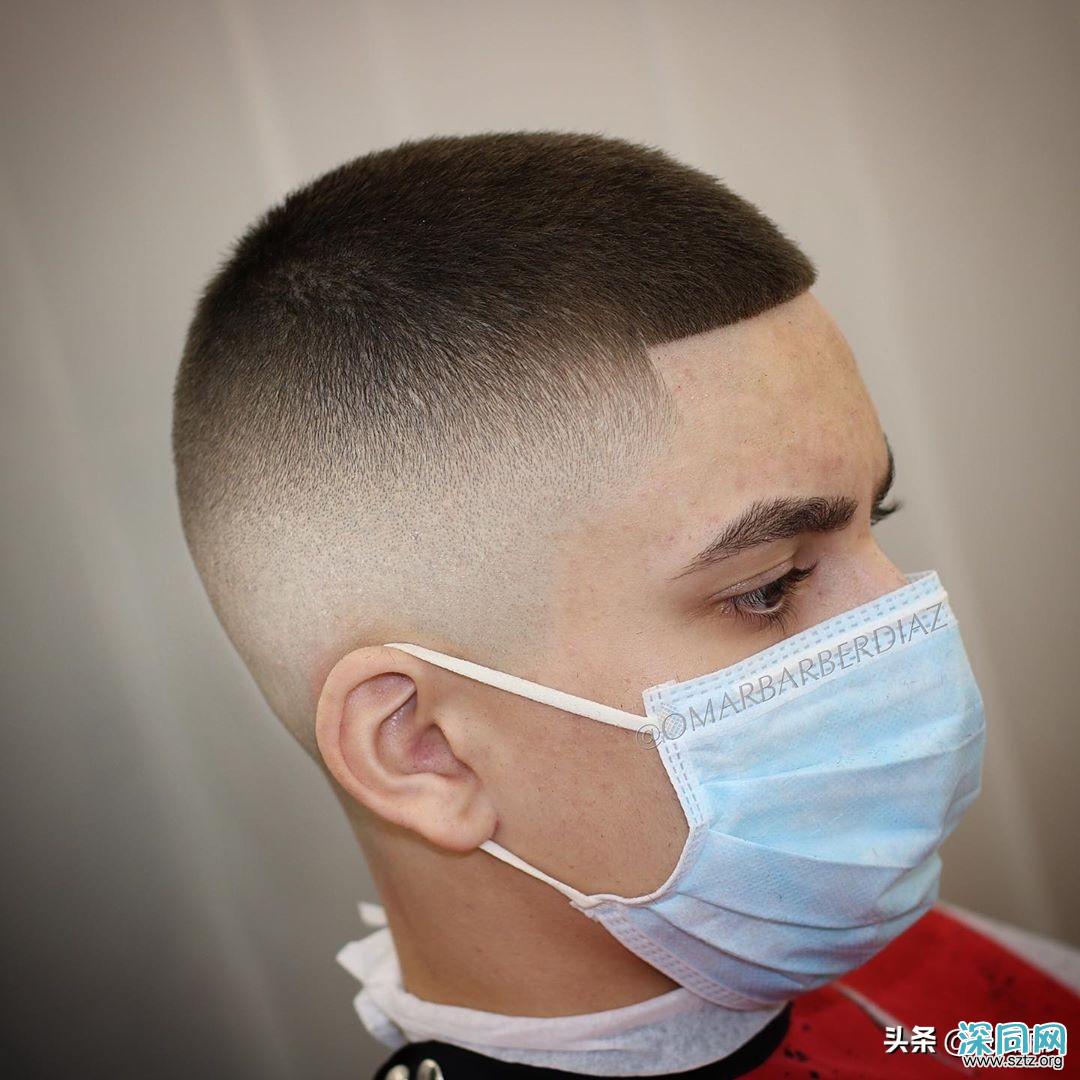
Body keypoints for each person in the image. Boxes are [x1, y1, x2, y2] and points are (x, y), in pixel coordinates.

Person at [172, 132, 1078, 1078]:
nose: (904, 624)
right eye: (767, 588)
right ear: (425, 749)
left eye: (874, 519)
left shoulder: (940, 979)